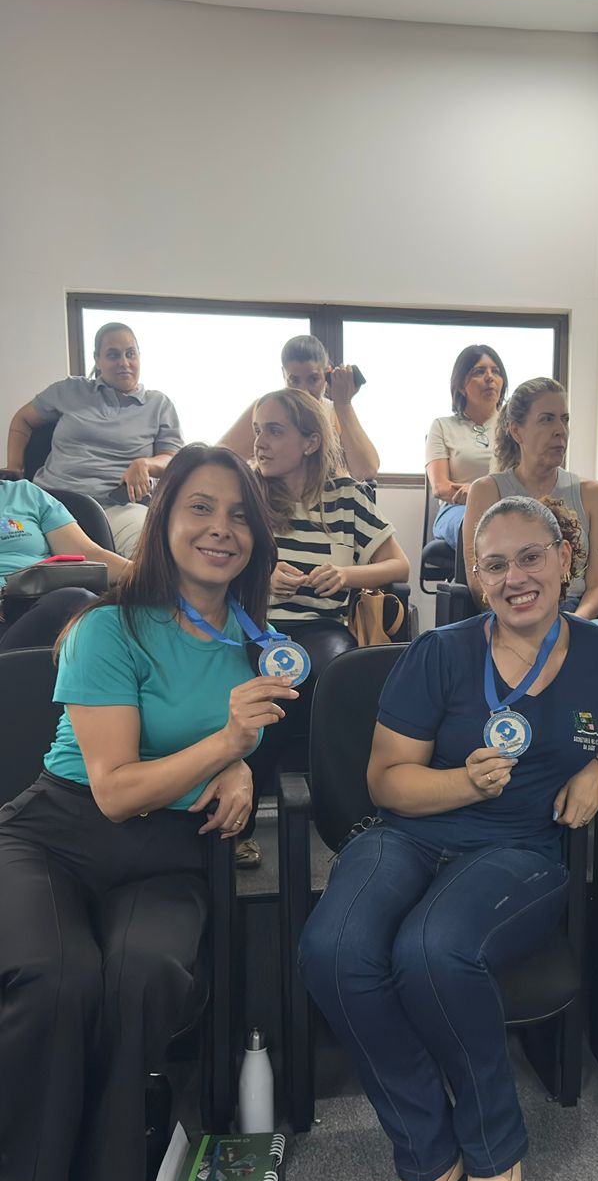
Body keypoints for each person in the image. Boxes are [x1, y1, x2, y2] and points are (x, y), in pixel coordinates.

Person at [299, 496, 598, 1181]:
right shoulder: (440, 652)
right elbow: (387, 783)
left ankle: (492, 1147)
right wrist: (463, 784)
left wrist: (595, 767)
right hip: (408, 833)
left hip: (519, 848)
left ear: (564, 559)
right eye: (496, 565)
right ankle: (426, 1151)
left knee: (433, 949)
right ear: (478, 579)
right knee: (332, 949)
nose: (516, 577)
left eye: (531, 557)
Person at [0, 445, 295, 1181]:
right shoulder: (107, 627)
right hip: (58, 832)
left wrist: (242, 766)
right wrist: (227, 746)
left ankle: (92, 1180)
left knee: (143, 975)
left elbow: (251, 746)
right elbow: (116, 789)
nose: (221, 528)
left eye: (239, 515)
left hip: (167, 850)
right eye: (200, 507)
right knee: (56, 978)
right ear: (163, 520)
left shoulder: (259, 644)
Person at [237, 387, 408, 867]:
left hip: (321, 629)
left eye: (274, 431)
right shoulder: (247, 492)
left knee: (338, 672)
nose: (260, 442)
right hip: (254, 627)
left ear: (311, 442)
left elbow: (399, 565)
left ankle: (351, 824)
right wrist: (261, 575)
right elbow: (218, 564)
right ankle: (241, 825)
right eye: (258, 430)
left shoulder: (347, 497)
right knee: (271, 682)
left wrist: (347, 576)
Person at [4, 323, 183, 559]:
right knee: (16, 550)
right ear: (97, 360)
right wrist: (15, 466)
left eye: (130, 353)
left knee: (152, 553)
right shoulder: (70, 390)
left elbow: (173, 459)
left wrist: (145, 464)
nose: (124, 362)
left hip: (118, 507)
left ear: (139, 356)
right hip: (51, 502)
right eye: (113, 355)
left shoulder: (158, 404)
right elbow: (23, 419)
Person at [462, 378, 598, 619]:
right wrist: (526, 623)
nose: (560, 430)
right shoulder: (487, 491)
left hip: (575, 615)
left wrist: (572, 626)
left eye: (564, 419)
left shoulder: (592, 494)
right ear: (516, 431)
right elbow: (478, 580)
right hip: (512, 610)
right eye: (547, 419)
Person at [220, 335, 380, 483]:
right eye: (294, 381)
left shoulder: (336, 412)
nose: (303, 391)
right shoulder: (264, 411)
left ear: (327, 375)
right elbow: (221, 460)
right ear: (283, 375)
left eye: (313, 379)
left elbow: (366, 471)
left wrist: (343, 405)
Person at [0, 473, 130, 651]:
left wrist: (152, 574)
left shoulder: (24, 493)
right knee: (76, 604)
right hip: (10, 614)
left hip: (44, 601)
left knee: (89, 607)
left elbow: (89, 553)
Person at [425, 344, 508, 551]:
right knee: (479, 525)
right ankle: (477, 575)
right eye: (479, 372)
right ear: (461, 385)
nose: (489, 377)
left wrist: (480, 492)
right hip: (457, 508)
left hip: (506, 506)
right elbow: (440, 487)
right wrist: (476, 495)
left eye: (495, 371)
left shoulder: (514, 428)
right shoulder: (442, 426)